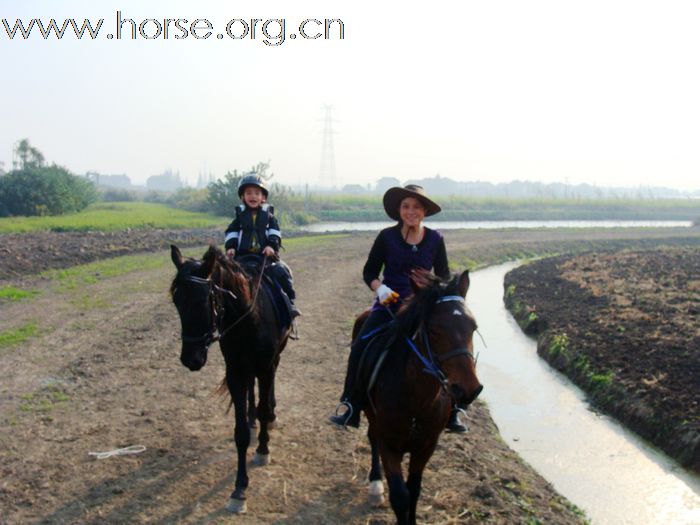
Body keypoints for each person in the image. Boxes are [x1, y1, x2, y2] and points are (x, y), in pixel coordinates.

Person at [329, 184, 467, 433]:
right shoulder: (386, 237)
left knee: (454, 345)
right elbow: (369, 272)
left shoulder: (436, 239)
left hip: (422, 307)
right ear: (398, 210)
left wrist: (439, 293)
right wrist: (380, 289)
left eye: (416, 207)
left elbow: (444, 276)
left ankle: (454, 409)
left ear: (424, 211)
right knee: (361, 343)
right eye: (406, 206)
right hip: (388, 305)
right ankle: (351, 403)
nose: (410, 211)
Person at [224, 173, 300, 318]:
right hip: (242, 257)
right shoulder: (239, 218)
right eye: (248, 193)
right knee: (224, 277)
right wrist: (231, 247)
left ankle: (290, 304)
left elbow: (275, 233)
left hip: (264, 258)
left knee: (282, 272)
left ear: (263, 198)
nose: (253, 196)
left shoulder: (269, 218)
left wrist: (271, 245)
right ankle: (221, 314)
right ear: (243, 197)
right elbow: (231, 233)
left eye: (257, 193)